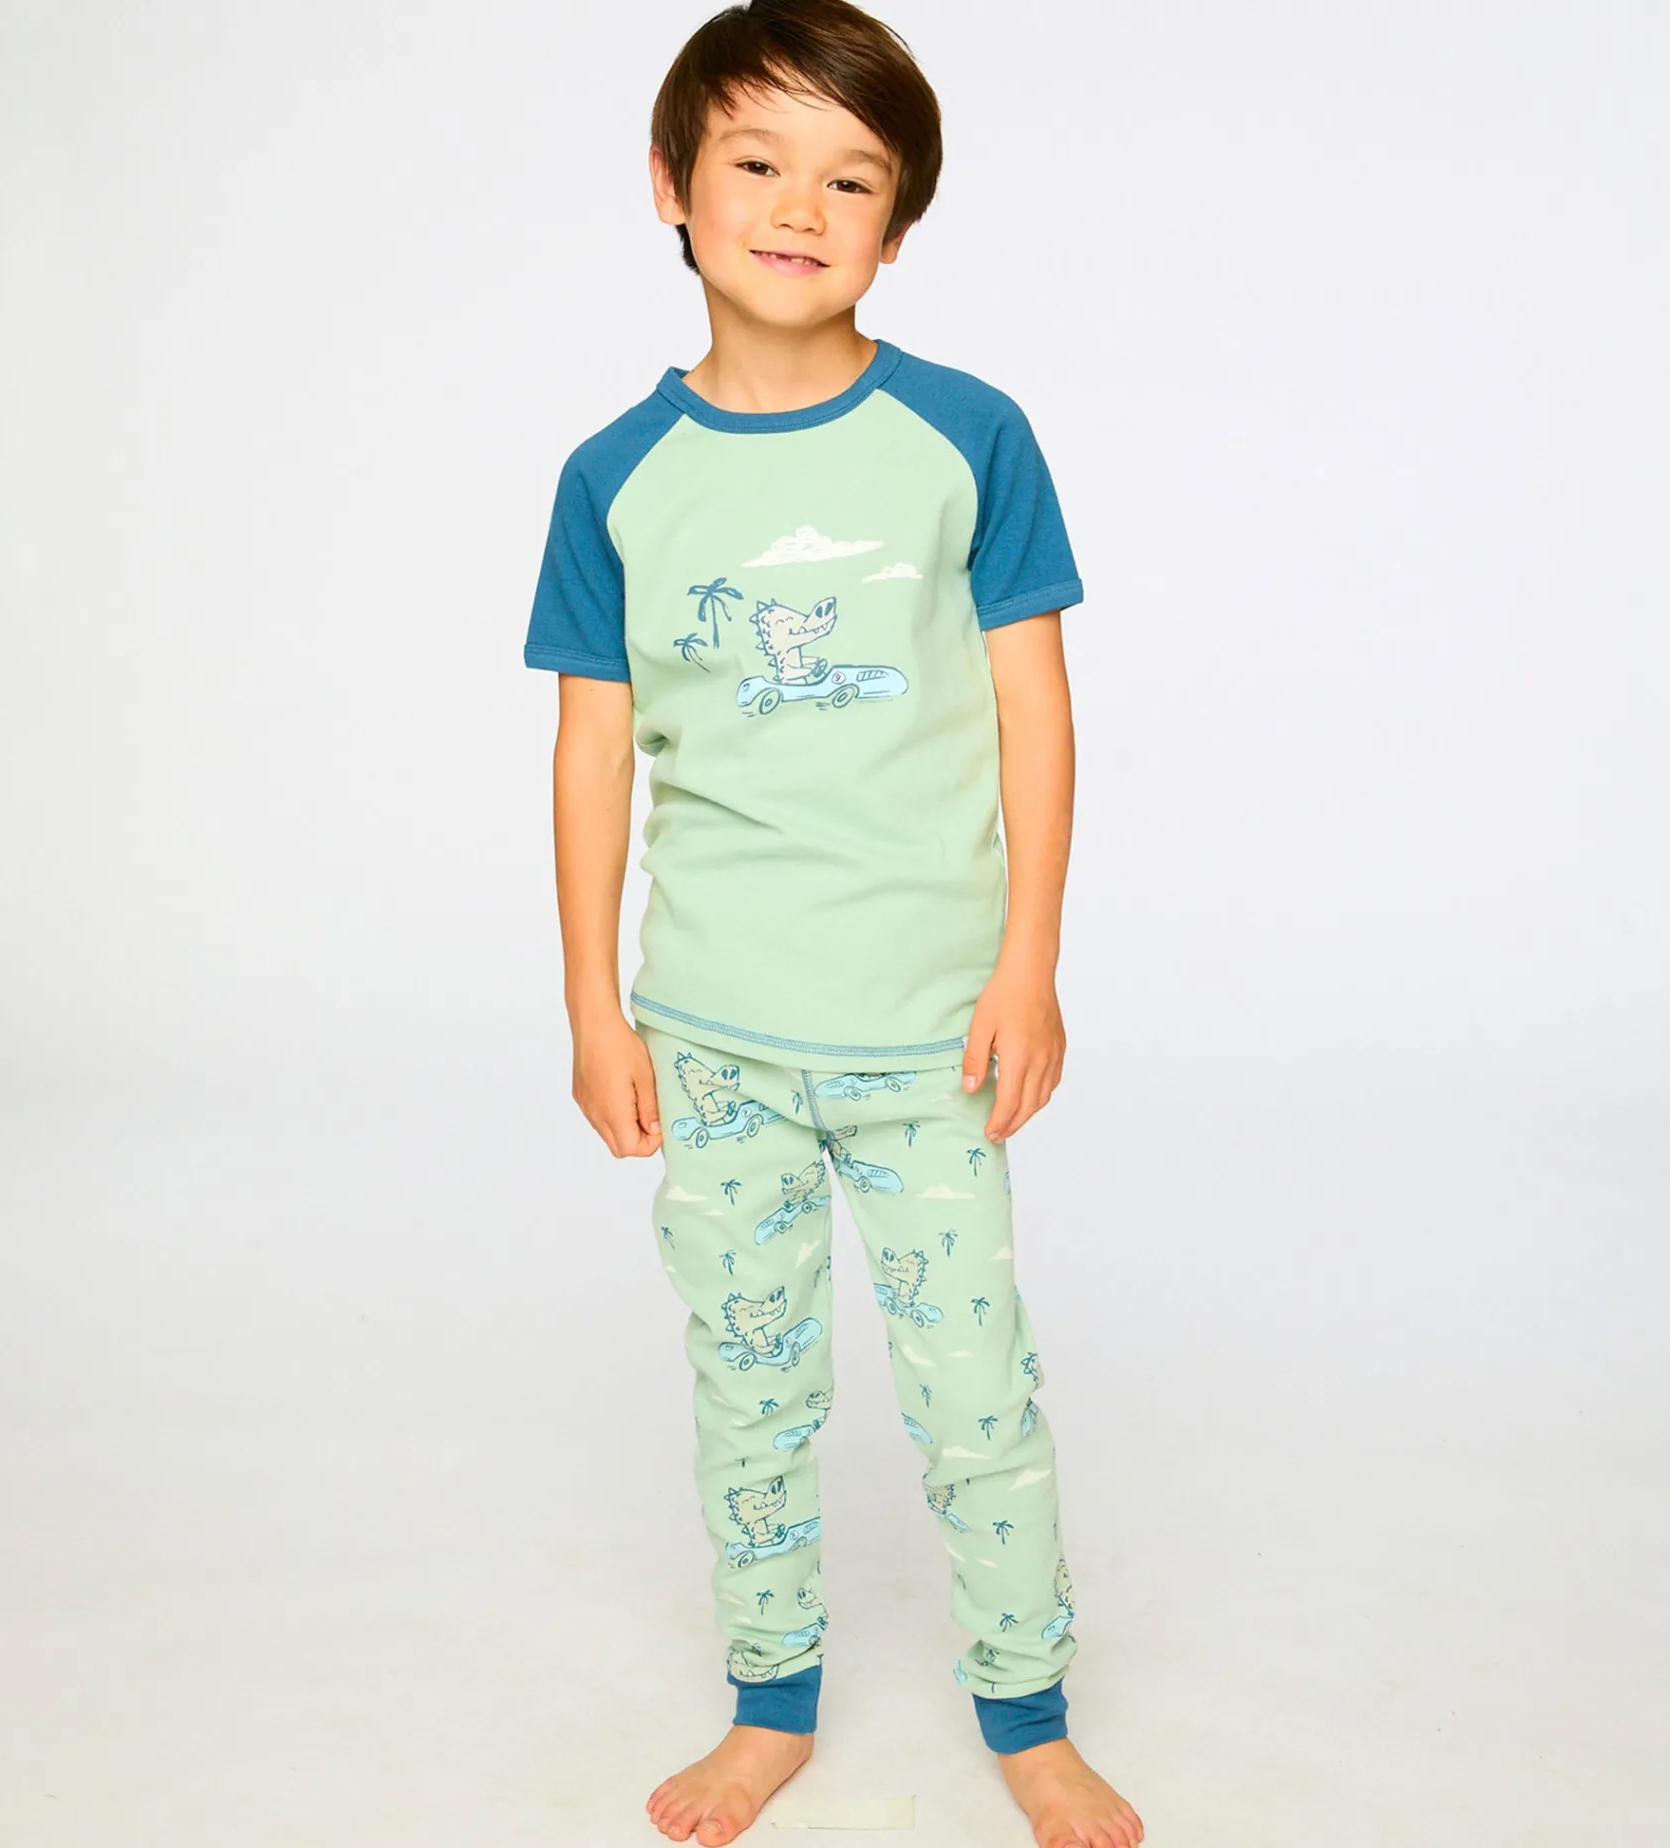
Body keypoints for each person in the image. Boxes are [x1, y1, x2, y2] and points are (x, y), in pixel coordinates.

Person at [523, 5, 1141, 1844]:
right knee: (750, 1389)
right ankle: (769, 1700)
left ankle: (1026, 1711)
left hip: (930, 1031)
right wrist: (594, 1009)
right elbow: (591, 750)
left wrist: (1030, 961)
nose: (801, 208)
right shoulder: (614, 477)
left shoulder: (968, 438)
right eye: (758, 162)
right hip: (715, 1037)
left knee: (977, 1395)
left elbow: (1035, 709)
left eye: (851, 179)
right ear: (672, 186)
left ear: (899, 224)